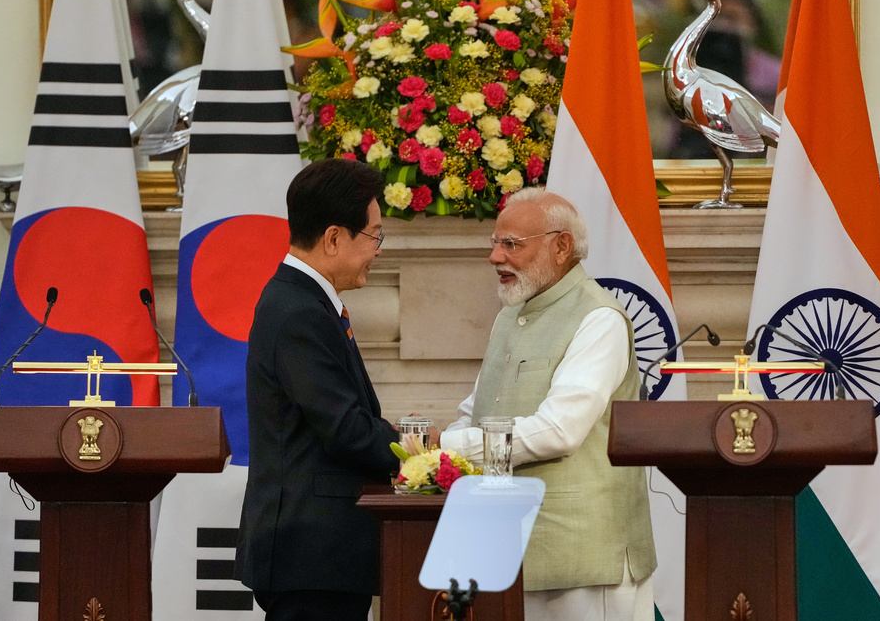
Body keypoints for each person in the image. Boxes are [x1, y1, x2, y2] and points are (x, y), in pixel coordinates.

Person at [439, 187, 657, 621]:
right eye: (495, 243)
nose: (495, 257)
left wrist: (447, 448)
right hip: (506, 549)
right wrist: (427, 450)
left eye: (512, 245)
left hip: (580, 558)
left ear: (562, 247)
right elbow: (477, 408)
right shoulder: (511, 312)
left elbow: (560, 429)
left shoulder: (599, 318)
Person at [234, 158, 400, 621]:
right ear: (333, 238)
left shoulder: (302, 301)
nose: (379, 250)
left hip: (320, 555)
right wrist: (418, 452)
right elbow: (345, 428)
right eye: (374, 235)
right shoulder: (298, 310)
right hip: (311, 552)